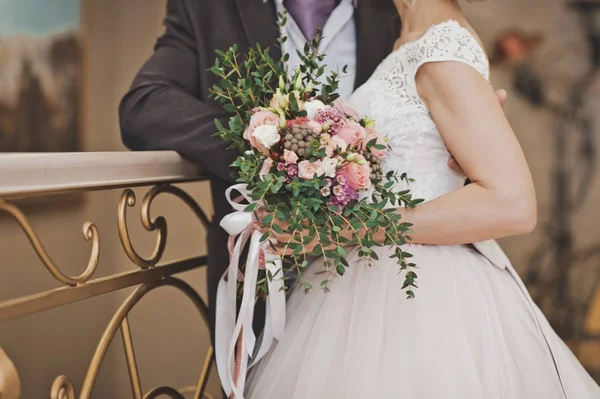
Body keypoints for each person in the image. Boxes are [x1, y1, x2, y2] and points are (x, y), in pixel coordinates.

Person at [245, 0, 600, 398]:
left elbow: (513, 204)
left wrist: (339, 230)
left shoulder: (442, 48)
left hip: (418, 294)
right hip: (365, 282)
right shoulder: (408, 40)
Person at [119, 0, 506, 345]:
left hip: (382, 288)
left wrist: (467, 143)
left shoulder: (404, 11)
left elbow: (432, 136)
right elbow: (143, 106)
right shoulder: (207, 7)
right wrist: (276, 146)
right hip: (257, 279)